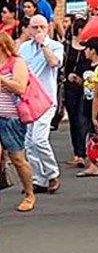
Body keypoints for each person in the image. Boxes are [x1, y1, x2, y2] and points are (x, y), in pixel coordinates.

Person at [19, 15, 63, 194]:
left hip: (46, 100)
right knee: (29, 142)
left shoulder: (55, 46)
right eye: (34, 27)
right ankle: (39, 179)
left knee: (39, 139)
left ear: (48, 28)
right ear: (29, 29)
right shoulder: (24, 48)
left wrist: (43, 44)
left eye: (42, 27)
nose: (38, 31)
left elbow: (54, 63)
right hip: (27, 100)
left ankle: (52, 174)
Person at [0, 32, 35, 211]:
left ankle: (29, 193)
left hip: (11, 117)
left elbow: (21, 87)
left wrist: (2, 80)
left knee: (17, 158)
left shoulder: (16, 63)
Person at [74, 37, 98, 178]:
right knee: (88, 132)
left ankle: (97, 162)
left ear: (93, 50)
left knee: (97, 133)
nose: (85, 52)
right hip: (87, 101)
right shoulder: (85, 65)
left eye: (87, 49)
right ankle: (92, 161)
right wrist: (79, 81)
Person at [63, 18, 89, 168]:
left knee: (82, 120)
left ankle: (83, 152)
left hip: (85, 87)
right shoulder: (67, 46)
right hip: (70, 87)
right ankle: (77, 153)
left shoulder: (89, 47)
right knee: (73, 120)